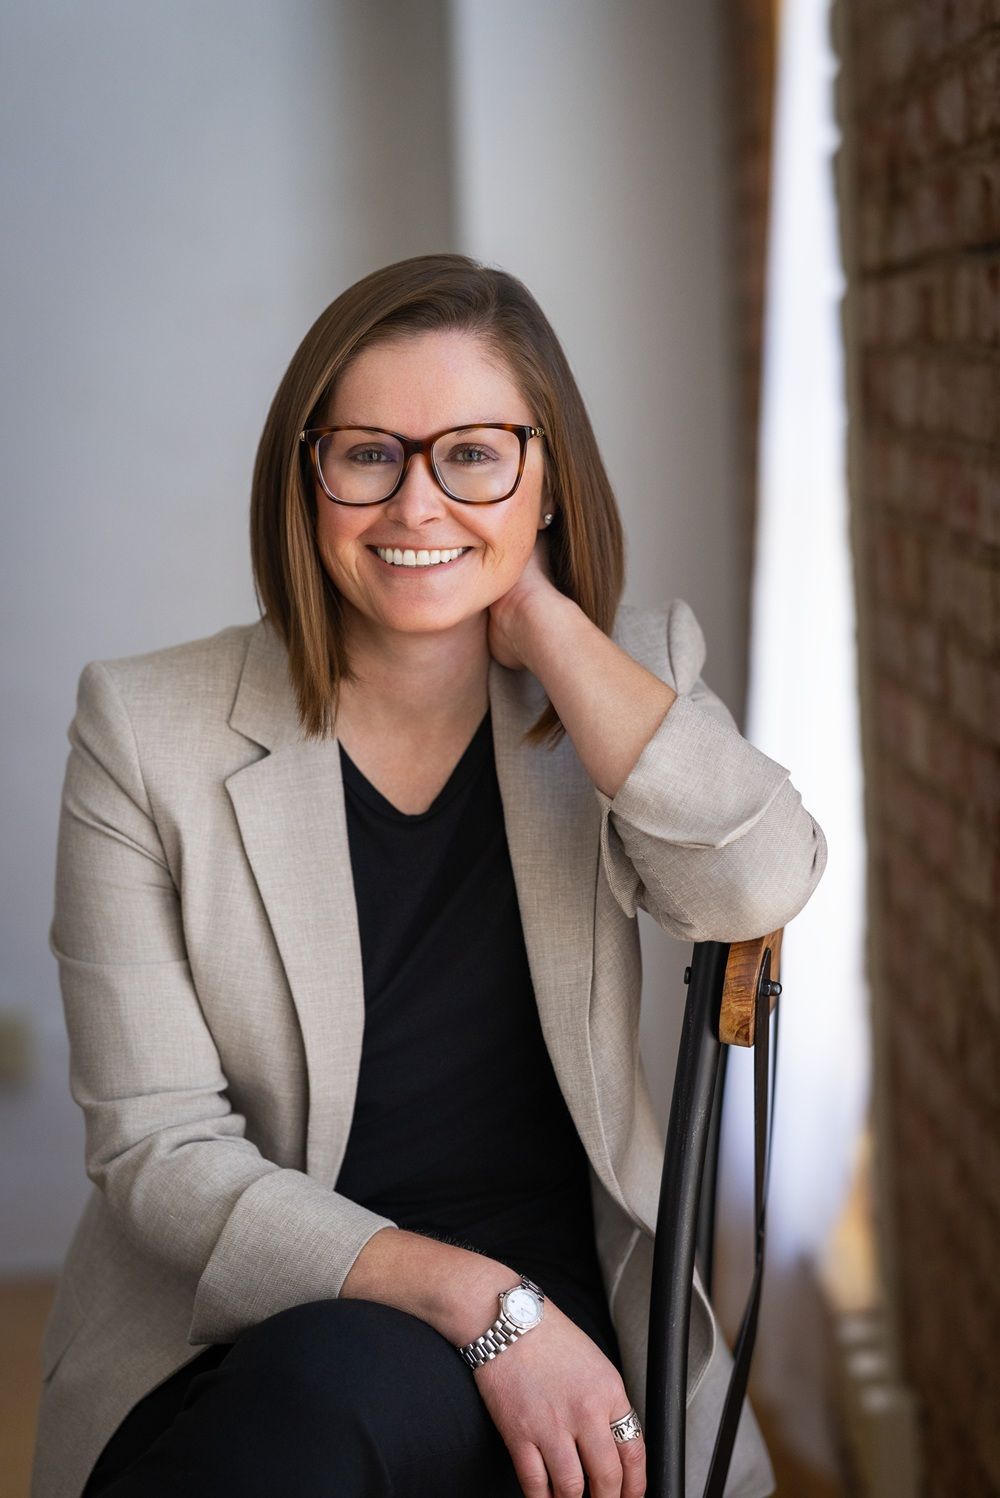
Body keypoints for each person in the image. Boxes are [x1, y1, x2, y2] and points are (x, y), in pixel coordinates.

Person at [32, 253, 826, 1498]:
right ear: (309, 475)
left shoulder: (620, 682)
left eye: (472, 455)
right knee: (326, 1393)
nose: (416, 504)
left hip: (568, 1317)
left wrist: (550, 629)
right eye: (369, 454)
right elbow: (158, 1151)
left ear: (547, 474)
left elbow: (759, 883)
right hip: (248, 1311)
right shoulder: (145, 728)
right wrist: (474, 1301)